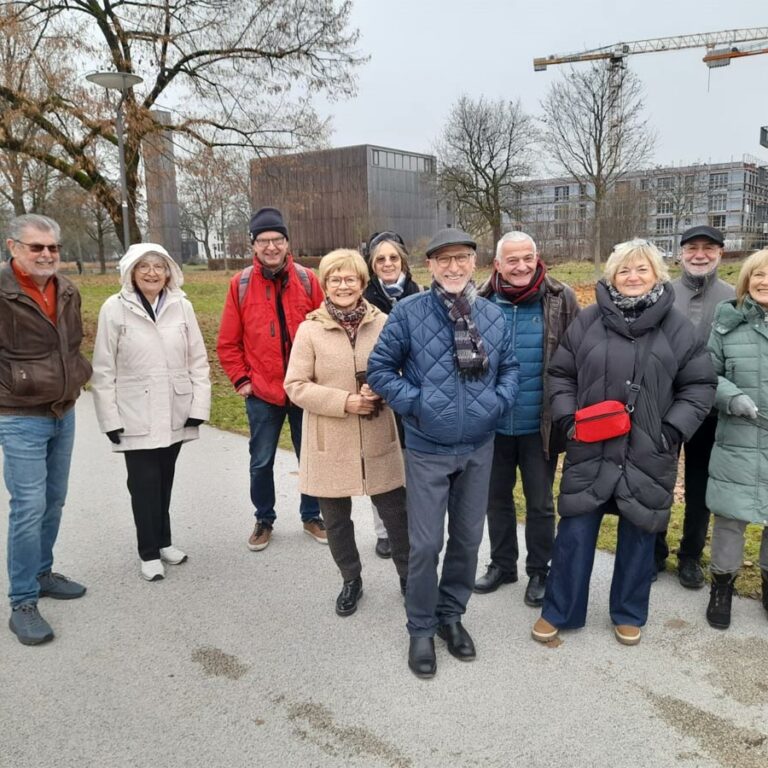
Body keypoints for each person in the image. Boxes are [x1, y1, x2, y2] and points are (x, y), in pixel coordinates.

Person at [531, 239, 715, 647]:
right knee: (575, 531)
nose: (633, 277)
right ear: (612, 275)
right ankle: (559, 609)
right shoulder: (589, 320)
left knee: (639, 532)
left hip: (649, 448)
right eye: (624, 270)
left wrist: (671, 431)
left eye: (642, 269)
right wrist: (570, 421)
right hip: (591, 446)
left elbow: (700, 386)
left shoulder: (678, 328)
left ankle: (629, 612)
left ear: (657, 274)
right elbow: (561, 375)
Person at [368, 227, 519, 678]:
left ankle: (451, 615)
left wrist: (497, 403)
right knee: (426, 543)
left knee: (468, 539)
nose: (454, 267)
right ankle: (420, 627)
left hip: (478, 446)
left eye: (462, 258)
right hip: (428, 448)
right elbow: (380, 369)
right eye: (444, 260)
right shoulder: (409, 312)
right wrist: (418, 405)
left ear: (474, 262)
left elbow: (510, 368)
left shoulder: (492, 315)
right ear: (430, 265)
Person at [284, 249, 410, 616]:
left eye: (350, 279)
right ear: (325, 284)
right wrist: (345, 402)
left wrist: (382, 388)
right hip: (330, 439)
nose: (343, 286)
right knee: (337, 521)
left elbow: (404, 370)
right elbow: (295, 385)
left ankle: (409, 577)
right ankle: (351, 579)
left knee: (397, 516)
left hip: (378, 434)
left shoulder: (384, 323)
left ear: (362, 283)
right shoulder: (310, 330)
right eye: (335, 279)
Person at [91, 244, 211, 581]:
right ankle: (148, 552)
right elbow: (103, 368)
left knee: (164, 479)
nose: (152, 272)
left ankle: (164, 541)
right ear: (131, 271)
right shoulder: (114, 308)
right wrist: (110, 419)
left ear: (169, 271)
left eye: (159, 266)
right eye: (144, 266)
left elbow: (198, 360)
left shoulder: (181, 306)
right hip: (134, 411)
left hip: (175, 407)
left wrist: (198, 406)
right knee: (143, 484)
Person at [474, 232, 580, 607]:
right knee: (495, 499)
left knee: (540, 502)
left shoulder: (561, 298)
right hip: (492, 424)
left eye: (527, 259)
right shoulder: (479, 300)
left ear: (537, 259)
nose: (521, 267)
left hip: (540, 425)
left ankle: (540, 570)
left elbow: (577, 356)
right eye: (512, 260)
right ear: (497, 264)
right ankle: (503, 565)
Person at [0, 214, 92, 645]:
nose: (46, 254)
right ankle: (22, 601)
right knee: (28, 506)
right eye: (36, 247)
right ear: (13, 247)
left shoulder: (66, 289)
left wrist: (77, 375)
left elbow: (71, 345)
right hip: (20, 416)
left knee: (54, 500)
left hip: (63, 411)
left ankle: (42, 572)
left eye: (52, 247)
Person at [217, 207, 326, 551]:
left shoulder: (307, 280)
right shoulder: (241, 284)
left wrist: (320, 377)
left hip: (304, 389)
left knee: (310, 457)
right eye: (263, 240)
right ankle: (264, 519)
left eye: (277, 239)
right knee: (261, 461)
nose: (271, 246)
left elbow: (326, 330)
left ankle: (312, 515)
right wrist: (242, 380)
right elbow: (227, 342)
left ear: (287, 242)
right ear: (253, 245)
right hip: (263, 391)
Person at [654, 225, 734, 588]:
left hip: (709, 410)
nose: (699, 255)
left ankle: (690, 556)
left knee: (700, 487)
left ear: (720, 253)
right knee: (658, 480)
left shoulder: (733, 298)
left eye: (708, 248)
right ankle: (654, 550)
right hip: (663, 407)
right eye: (692, 248)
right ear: (680, 252)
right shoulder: (664, 294)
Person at [704, 249, 768, 630]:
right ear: (746, 279)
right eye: (758, 274)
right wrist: (731, 397)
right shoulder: (728, 321)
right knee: (729, 519)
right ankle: (722, 588)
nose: (765, 282)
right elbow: (706, 374)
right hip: (738, 438)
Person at [363, 231, 423, 558]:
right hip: (379, 394)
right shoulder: (363, 299)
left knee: (413, 466)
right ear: (373, 266)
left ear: (403, 261)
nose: (388, 264)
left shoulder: (421, 294)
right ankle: (384, 531)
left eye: (393, 258)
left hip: (413, 394)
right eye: (380, 260)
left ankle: (413, 527)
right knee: (382, 467)